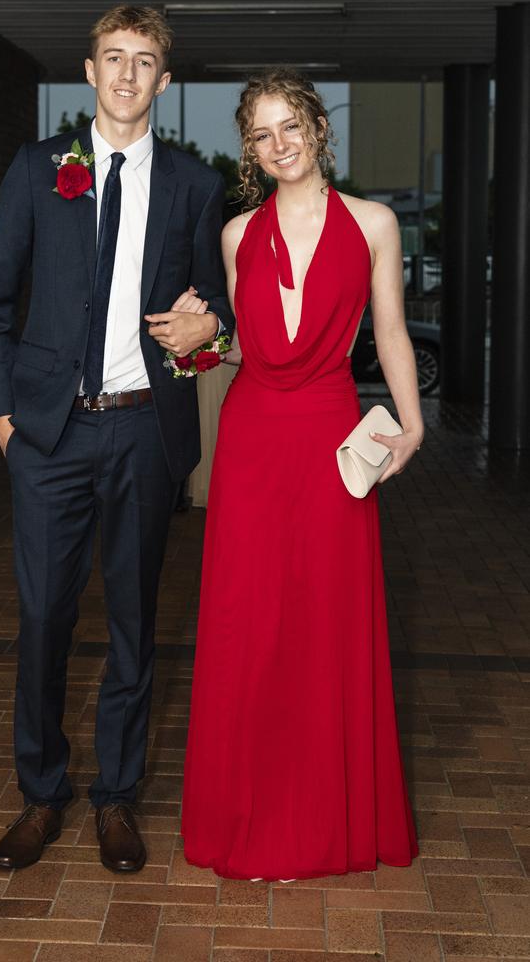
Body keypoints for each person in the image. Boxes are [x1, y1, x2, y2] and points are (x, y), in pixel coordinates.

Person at [0, 4, 234, 874]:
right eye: (113, 58)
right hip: (47, 438)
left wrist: (213, 335)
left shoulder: (196, 185)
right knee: (44, 618)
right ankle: (42, 794)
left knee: (133, 624)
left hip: (142, 436)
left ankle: (115, 798)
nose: (127, 74)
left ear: (165, 79)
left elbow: (219, 315)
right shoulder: (39, 169)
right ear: (90, 72)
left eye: (145, 60)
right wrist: (8, 423)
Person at [181, 68, 422, 881]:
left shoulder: (377, 222)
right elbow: (238, 348)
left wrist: (412, 421)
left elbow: (389, 332)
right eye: (260, 133)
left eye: (291, 126)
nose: (278, 143)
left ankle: (323, 822)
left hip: (327, 436)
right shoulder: (235, 234)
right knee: (250, 626)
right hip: (252, 440)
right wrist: (193, 347)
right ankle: (246, 815)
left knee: (324, 624)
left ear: (319, 127)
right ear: (248, 149)